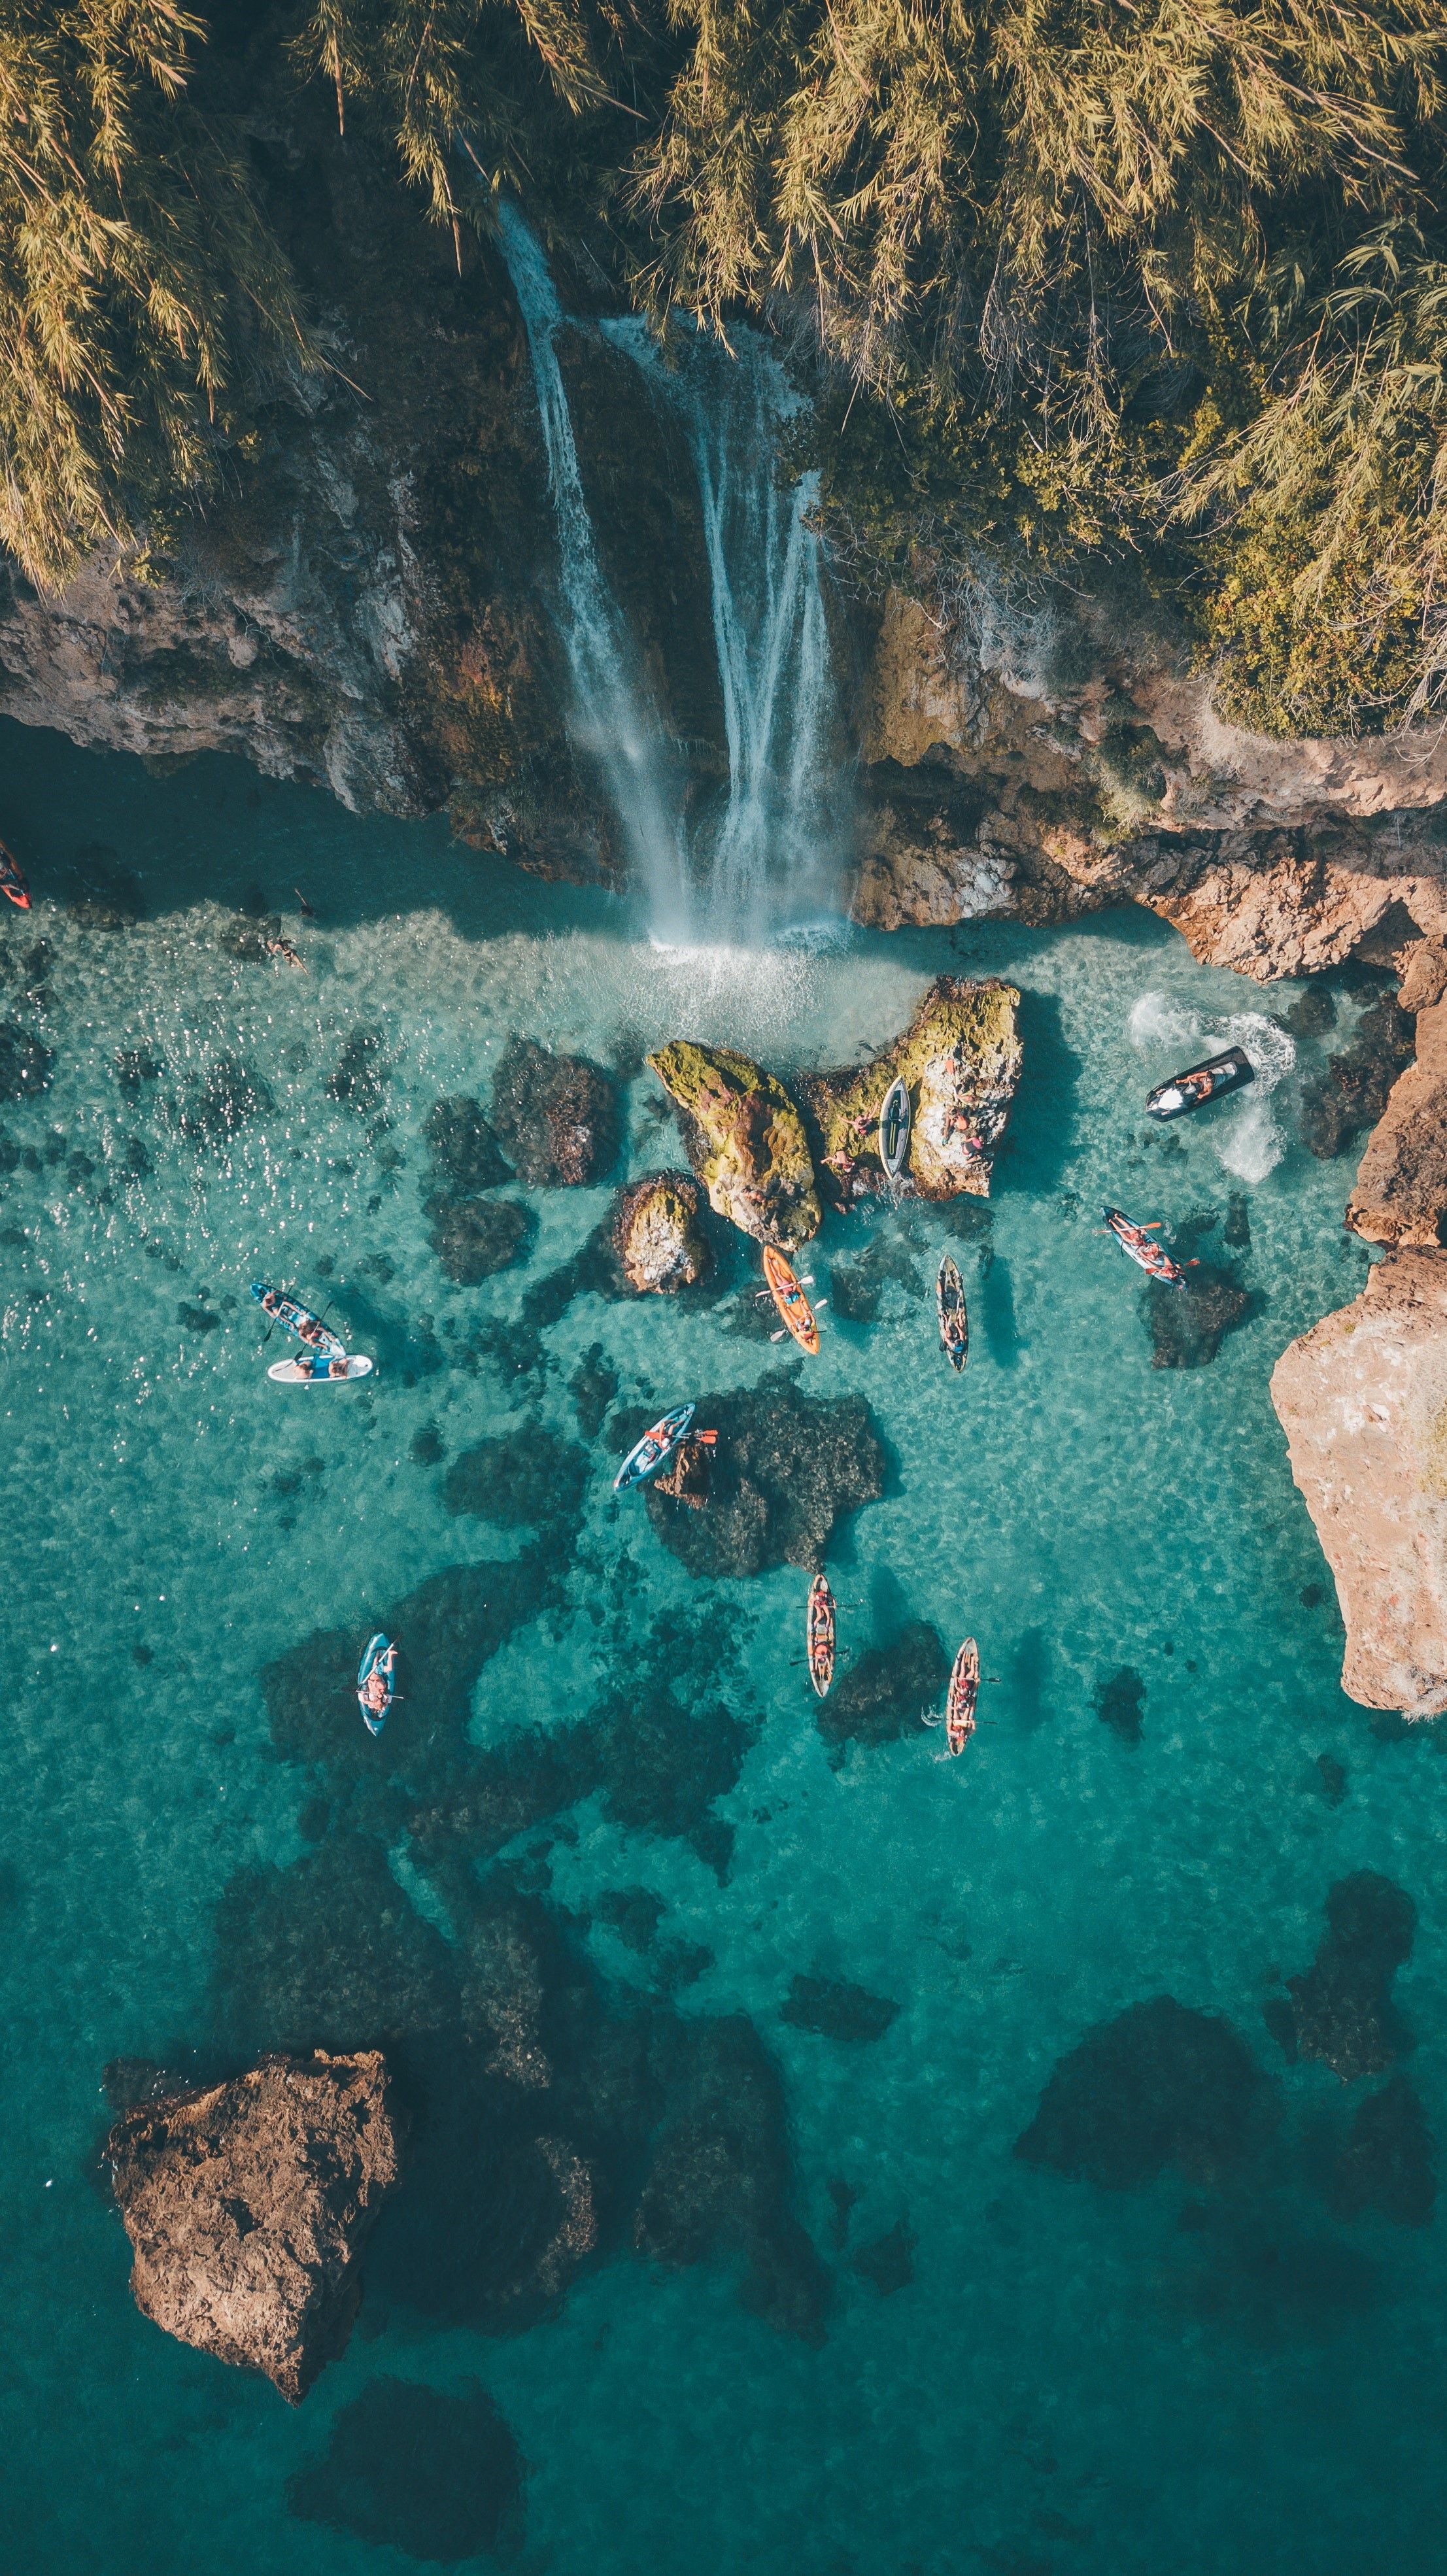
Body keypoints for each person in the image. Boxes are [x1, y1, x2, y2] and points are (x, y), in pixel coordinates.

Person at [362, 1644, 396, 1718]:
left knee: (376, 1660)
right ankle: (390, 1654)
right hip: (381, 1674)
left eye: (379, 1701)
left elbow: (370, 1682)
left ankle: (377, 1654)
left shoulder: (373, 1698)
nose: (380, 1700)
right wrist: (386, 1698)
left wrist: (364, 1693)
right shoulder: (382, 1701)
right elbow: (386, 1702)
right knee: (390, 1669)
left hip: (375, 1672)